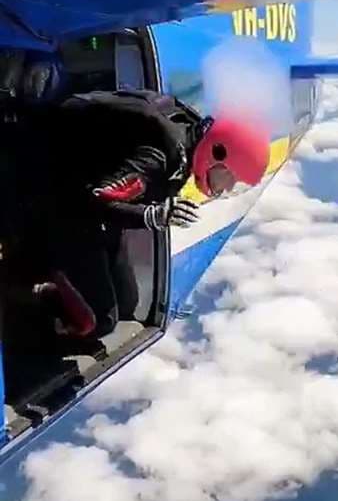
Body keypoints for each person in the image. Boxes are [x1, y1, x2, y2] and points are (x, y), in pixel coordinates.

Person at [11, 84, 269, 337]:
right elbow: (96, 202)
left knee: (127, 304)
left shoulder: (189, 130)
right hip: (63, 202)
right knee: (96, 321)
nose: (227, 187)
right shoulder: (159, 159)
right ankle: (29, 288)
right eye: (230, 177)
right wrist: (152, 216)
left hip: (85, 195)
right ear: (216, 154)